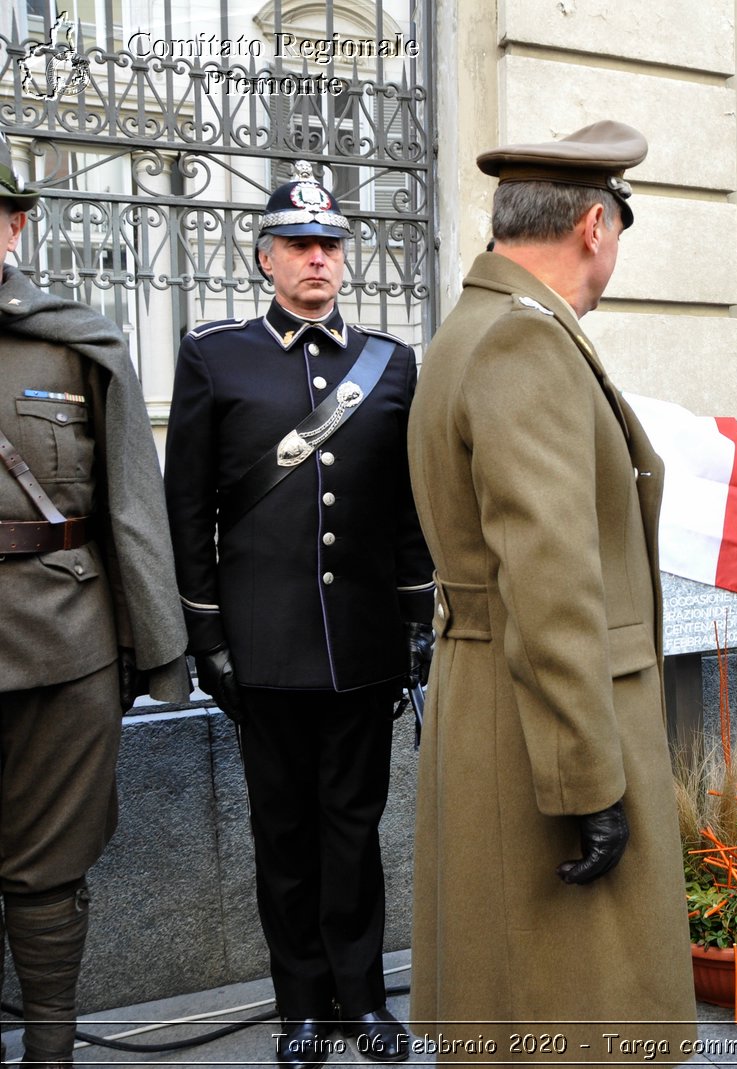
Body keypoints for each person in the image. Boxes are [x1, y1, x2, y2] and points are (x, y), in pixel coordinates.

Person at [405, 121, 698, 1063]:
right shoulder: (523, 345)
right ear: (594, 227)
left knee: (508, 997)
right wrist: (588, 778)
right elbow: (551, 577)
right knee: (576, 1007)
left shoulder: (477, 329)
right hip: (546, 720)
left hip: (496, 698)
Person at [164, 161, 431, 1068]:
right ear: (266, 258)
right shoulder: (215, 354)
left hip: (361, 645)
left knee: (354, 831)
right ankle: (299, 1008)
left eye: (330, 245)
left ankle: (362, 999)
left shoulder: (393, 365)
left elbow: (407, 510)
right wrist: (208, 635)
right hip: (263, 646)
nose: (318, 259)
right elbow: (187, 508)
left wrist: (415, 625)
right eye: (300, 245)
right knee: (283, 836)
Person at [0, 162, 189, 1067]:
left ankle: (49, 1050)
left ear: (16, 227)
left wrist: (157, 647)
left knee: (50, 864)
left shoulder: (79, 343)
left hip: (62, 642)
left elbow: (129, 503)